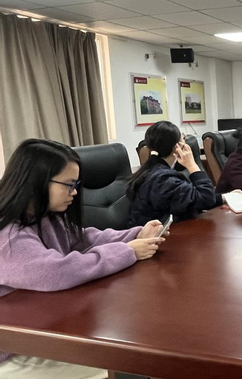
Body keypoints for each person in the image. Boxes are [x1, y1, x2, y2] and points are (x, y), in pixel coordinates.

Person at [0, 139, 165, 377]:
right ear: (37, 181)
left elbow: (83, 238)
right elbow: (56, 272)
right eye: (69, 185)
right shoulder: (9, 237)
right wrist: (128, 251)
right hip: (15, 349)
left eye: (76, 184)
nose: (75, 192)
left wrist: (135, 235)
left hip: (44, 327)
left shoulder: (42, 215)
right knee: (122, 365)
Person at [127, 121, 222, 227]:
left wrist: (224, 197)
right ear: (177, 147)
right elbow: (206, 198)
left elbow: (192, 199)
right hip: (159, 236)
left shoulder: (154, 170)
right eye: (183, 139)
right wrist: (192, 165)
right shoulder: (162, 180)